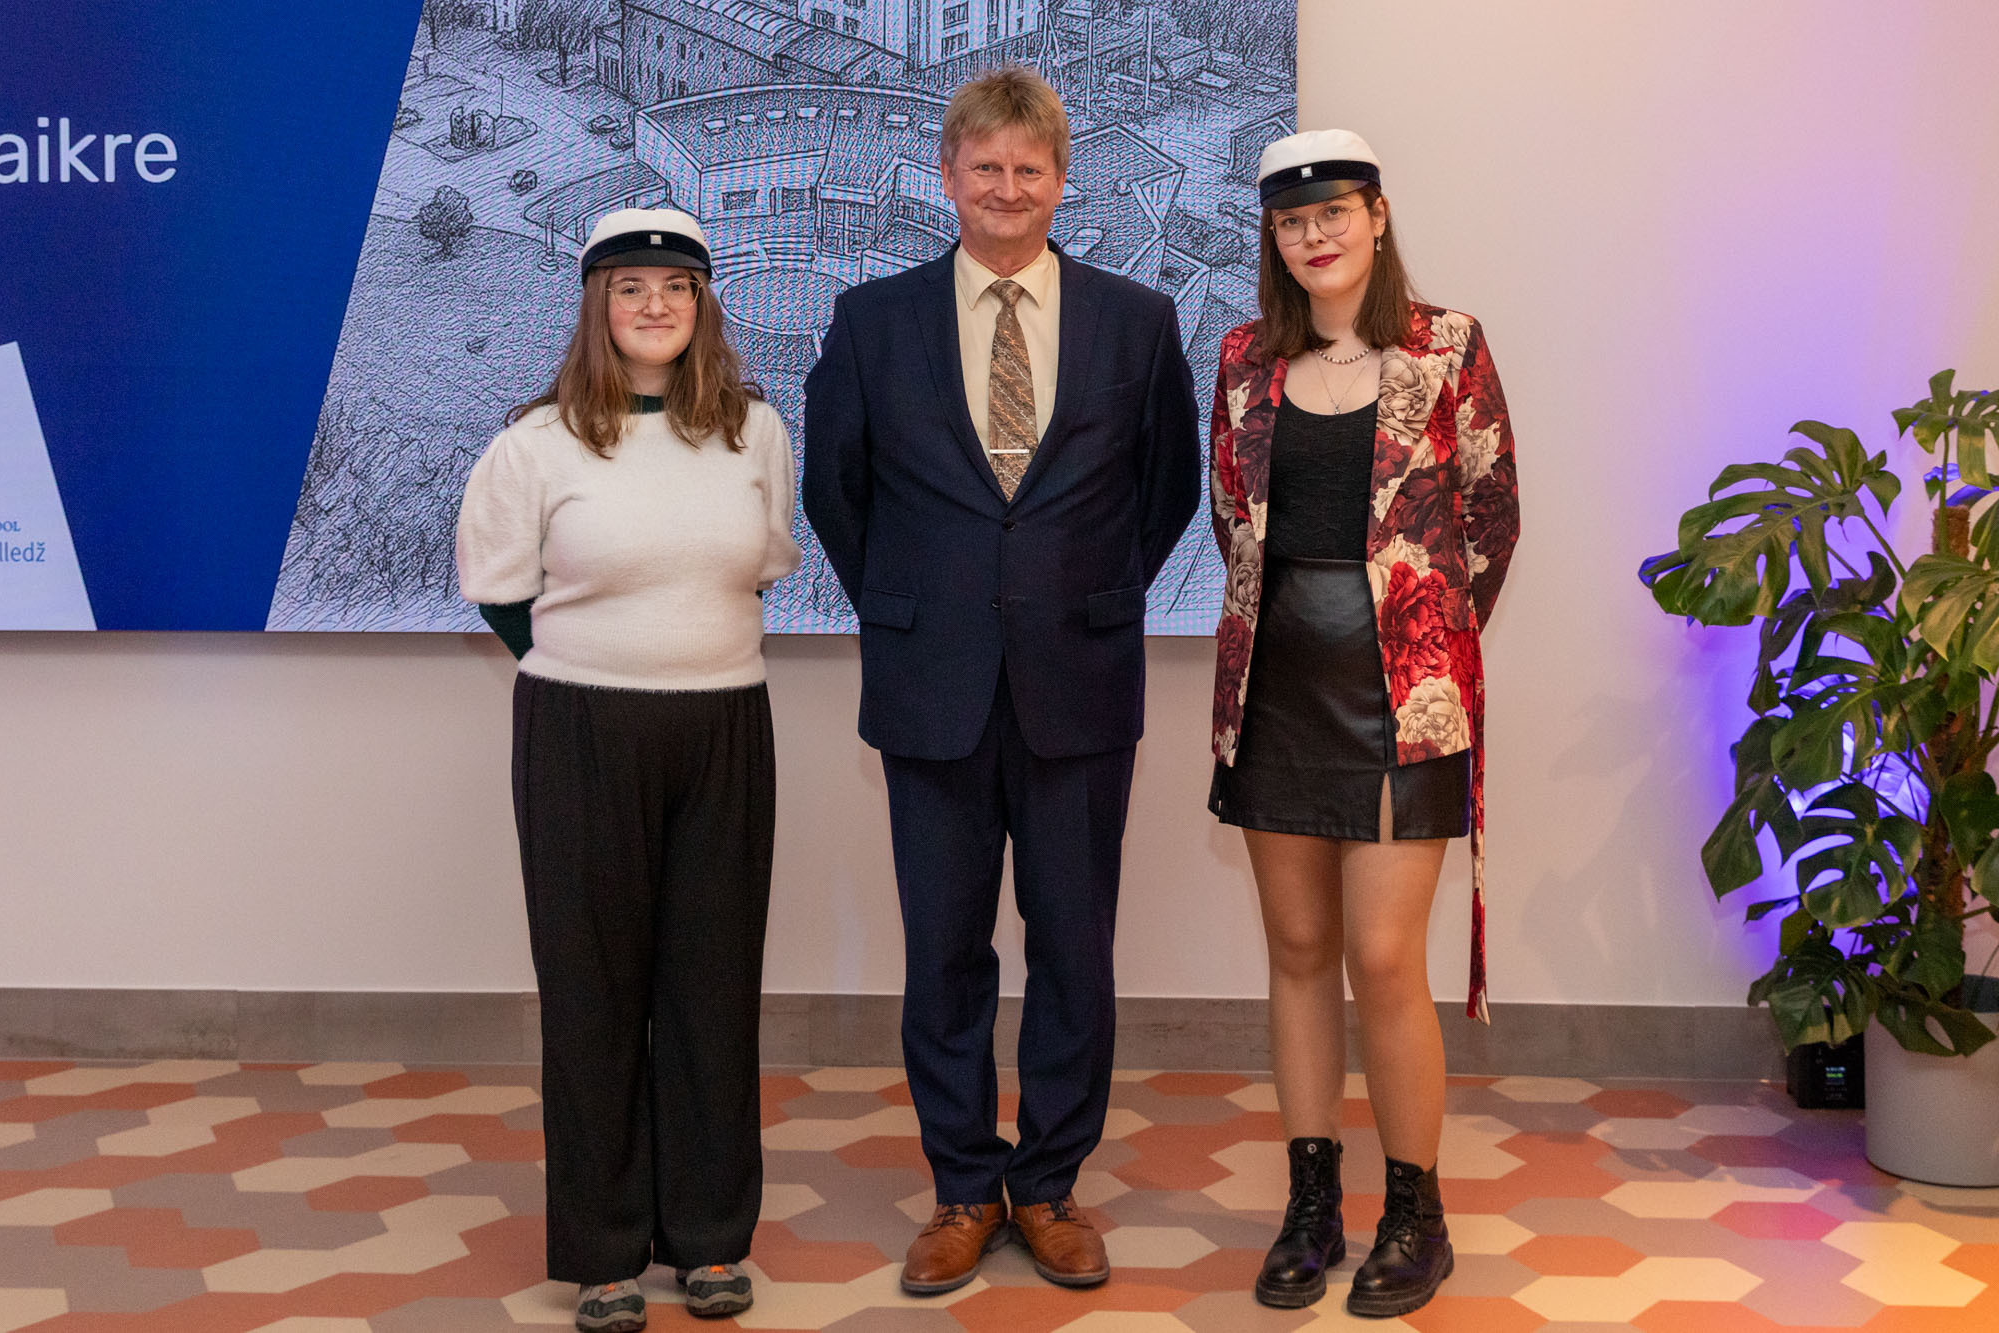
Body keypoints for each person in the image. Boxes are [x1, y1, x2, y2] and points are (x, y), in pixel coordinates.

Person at [802, 66, 1201, 1296]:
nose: (1008, 189)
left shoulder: (1136, 320)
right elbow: (835, 489)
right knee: (944, 952)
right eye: (986, 168)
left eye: (1029, 169)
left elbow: (1165, 490)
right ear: (947, 178)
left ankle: (1050, 1185)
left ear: (1061, 180)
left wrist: (1074, 592)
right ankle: (964, 1188)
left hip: (1078, 680)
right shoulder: (872, 320)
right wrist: (921, 601)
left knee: (1074, 949)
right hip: (931, 686)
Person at [455, 207, 801, 1330]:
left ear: (704, 305)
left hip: (724, 728)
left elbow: (760, 567)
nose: (656, 305)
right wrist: (590, 665)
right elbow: (499, 590)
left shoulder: (754, 430)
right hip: (581, 735)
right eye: (630, 288)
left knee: (711, 986)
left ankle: (707, 1238)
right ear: (595, 306)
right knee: (593, 989)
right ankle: (603, 1250)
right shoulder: (537, 441)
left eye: (677, 287)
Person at [1207, 130, 1520, 1317]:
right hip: (1273, 692)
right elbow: (1230, 513)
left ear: (1375, 216)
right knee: (1296, 952)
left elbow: (1491, 512)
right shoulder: (1240, 358)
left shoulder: (1447, 346)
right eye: (1291, 222)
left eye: (1332, 213)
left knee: (1383, 959)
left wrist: (1418, 630)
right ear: (1273, 238)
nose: (1313, 236)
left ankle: (1413, 1215)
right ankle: (1308, 1208)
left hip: (1403, 699)